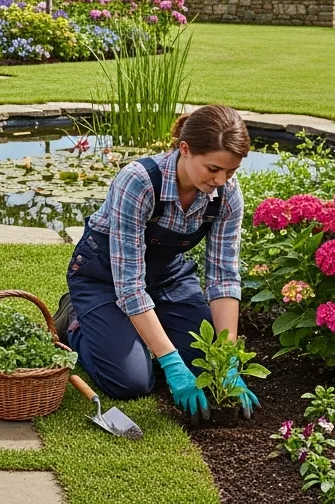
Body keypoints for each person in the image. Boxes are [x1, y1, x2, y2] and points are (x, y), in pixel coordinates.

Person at [54, 104, 259, 420]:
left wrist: (227, 359)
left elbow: (223, 277)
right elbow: (130, 286)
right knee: (131, 381)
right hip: (106, 278)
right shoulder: (138, 182)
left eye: (231, 171)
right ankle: (76, 321)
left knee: (205, 361)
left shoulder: (226, 194)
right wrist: (171, 362)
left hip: (166, 278)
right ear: (185, 149)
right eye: (213, 169)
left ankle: (139, 331)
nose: (222, 180)